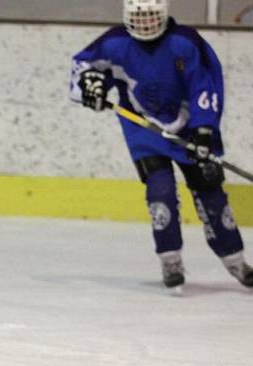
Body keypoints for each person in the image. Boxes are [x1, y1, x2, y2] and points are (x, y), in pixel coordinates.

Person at [70, 0, 253, 289]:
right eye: (138, 18)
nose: (145, 24)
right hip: (145, 130)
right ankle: (170, 259)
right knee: (160, 191)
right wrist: (90, 85)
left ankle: (235, 260)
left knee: (210, 191)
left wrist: (205, 130)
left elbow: (204, 85)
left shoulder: (185, 42)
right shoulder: (115, 42)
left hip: (191, 127)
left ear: (164, 15)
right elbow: (84, 66)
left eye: (151, 17)